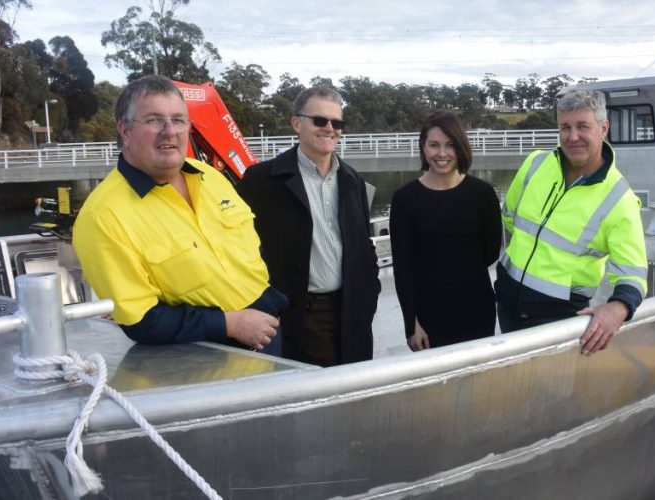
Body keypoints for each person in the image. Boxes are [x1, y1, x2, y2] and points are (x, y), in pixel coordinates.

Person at [73, 75, 286, 354]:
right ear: (125, 131)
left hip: (267, 331)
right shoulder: (102, 217)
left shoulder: (210, 176)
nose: (169, 130)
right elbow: (140, 320)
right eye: (153, 120)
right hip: (206, 356)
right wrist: (230, 324)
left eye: (179, 119)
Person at [495, 88, 648, 355]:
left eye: (582, 126)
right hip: (507, 300)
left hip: (555, 317)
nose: (572, 136)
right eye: (565, 127)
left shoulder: (619, 200)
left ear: (603, 128)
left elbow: (633, 274)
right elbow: (509, 218)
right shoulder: (535, 164)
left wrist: (618, 308)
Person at [237, 87, 380, 366]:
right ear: (296, 123)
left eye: (336, 123)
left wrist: (368, 296)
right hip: (297, 314)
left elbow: (363, 246)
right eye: (319, 120)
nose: (330, 128)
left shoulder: (353, 181)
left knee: (352, 391)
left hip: (351, 313)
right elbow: (237, 250)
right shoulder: (263, 181)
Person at [390, 112, 502, 350]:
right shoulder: (405, 199)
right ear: (423, 148)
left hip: (476, 307)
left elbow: (491, 251)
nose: (442, 154)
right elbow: (402, 267)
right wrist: (412, 322)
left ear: (461, 147)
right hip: (428, 315)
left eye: (450, 145)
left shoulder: (482, 194)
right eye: (434, 145)